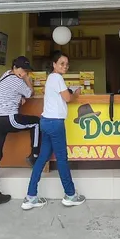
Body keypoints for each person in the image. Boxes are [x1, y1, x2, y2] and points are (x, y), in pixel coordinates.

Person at [22, 51, 86, 210]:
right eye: (61, 63)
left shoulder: (51, 78)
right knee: (62, 159)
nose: (65, 66)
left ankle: (31, 196)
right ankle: (70, 195)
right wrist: (76, 93)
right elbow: (68, 98)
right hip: (55, 123)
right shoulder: (57, 78)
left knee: (43, 157)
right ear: (54, 64)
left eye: (66, 64)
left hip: (45, 121)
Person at [0, 55, 40, 209]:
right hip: (7, 119)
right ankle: (34, 156)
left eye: (26, 71)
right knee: (36, 123)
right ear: (15, 68)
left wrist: (18, 98)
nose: (23, 73)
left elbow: (7, 94)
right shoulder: (17, 80)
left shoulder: (5, 75)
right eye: (22, 70)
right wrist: (27, 80)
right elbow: (31, 93)